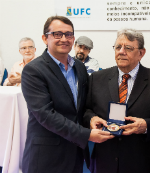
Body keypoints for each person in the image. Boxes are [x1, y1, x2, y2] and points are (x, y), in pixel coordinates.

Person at [21, 16, 113, 173]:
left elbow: (81, 107)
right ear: (45, 38)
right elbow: (45, 115)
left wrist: (91, 118)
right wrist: (87, 134)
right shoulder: (33, 70)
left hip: (75, 155)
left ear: (73, 39)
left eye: (69, 34)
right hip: (46, 157)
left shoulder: (79, 67)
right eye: (57, 34)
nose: (64, 39)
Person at [83, 28, 150, 173]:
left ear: (141, 53)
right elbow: (85, 110)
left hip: (141, 162)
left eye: (128, 48)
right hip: (104, 161)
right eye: (118, 47)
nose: (121, 51)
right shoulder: (96, 79)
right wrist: (91, 118)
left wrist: (147, 125)